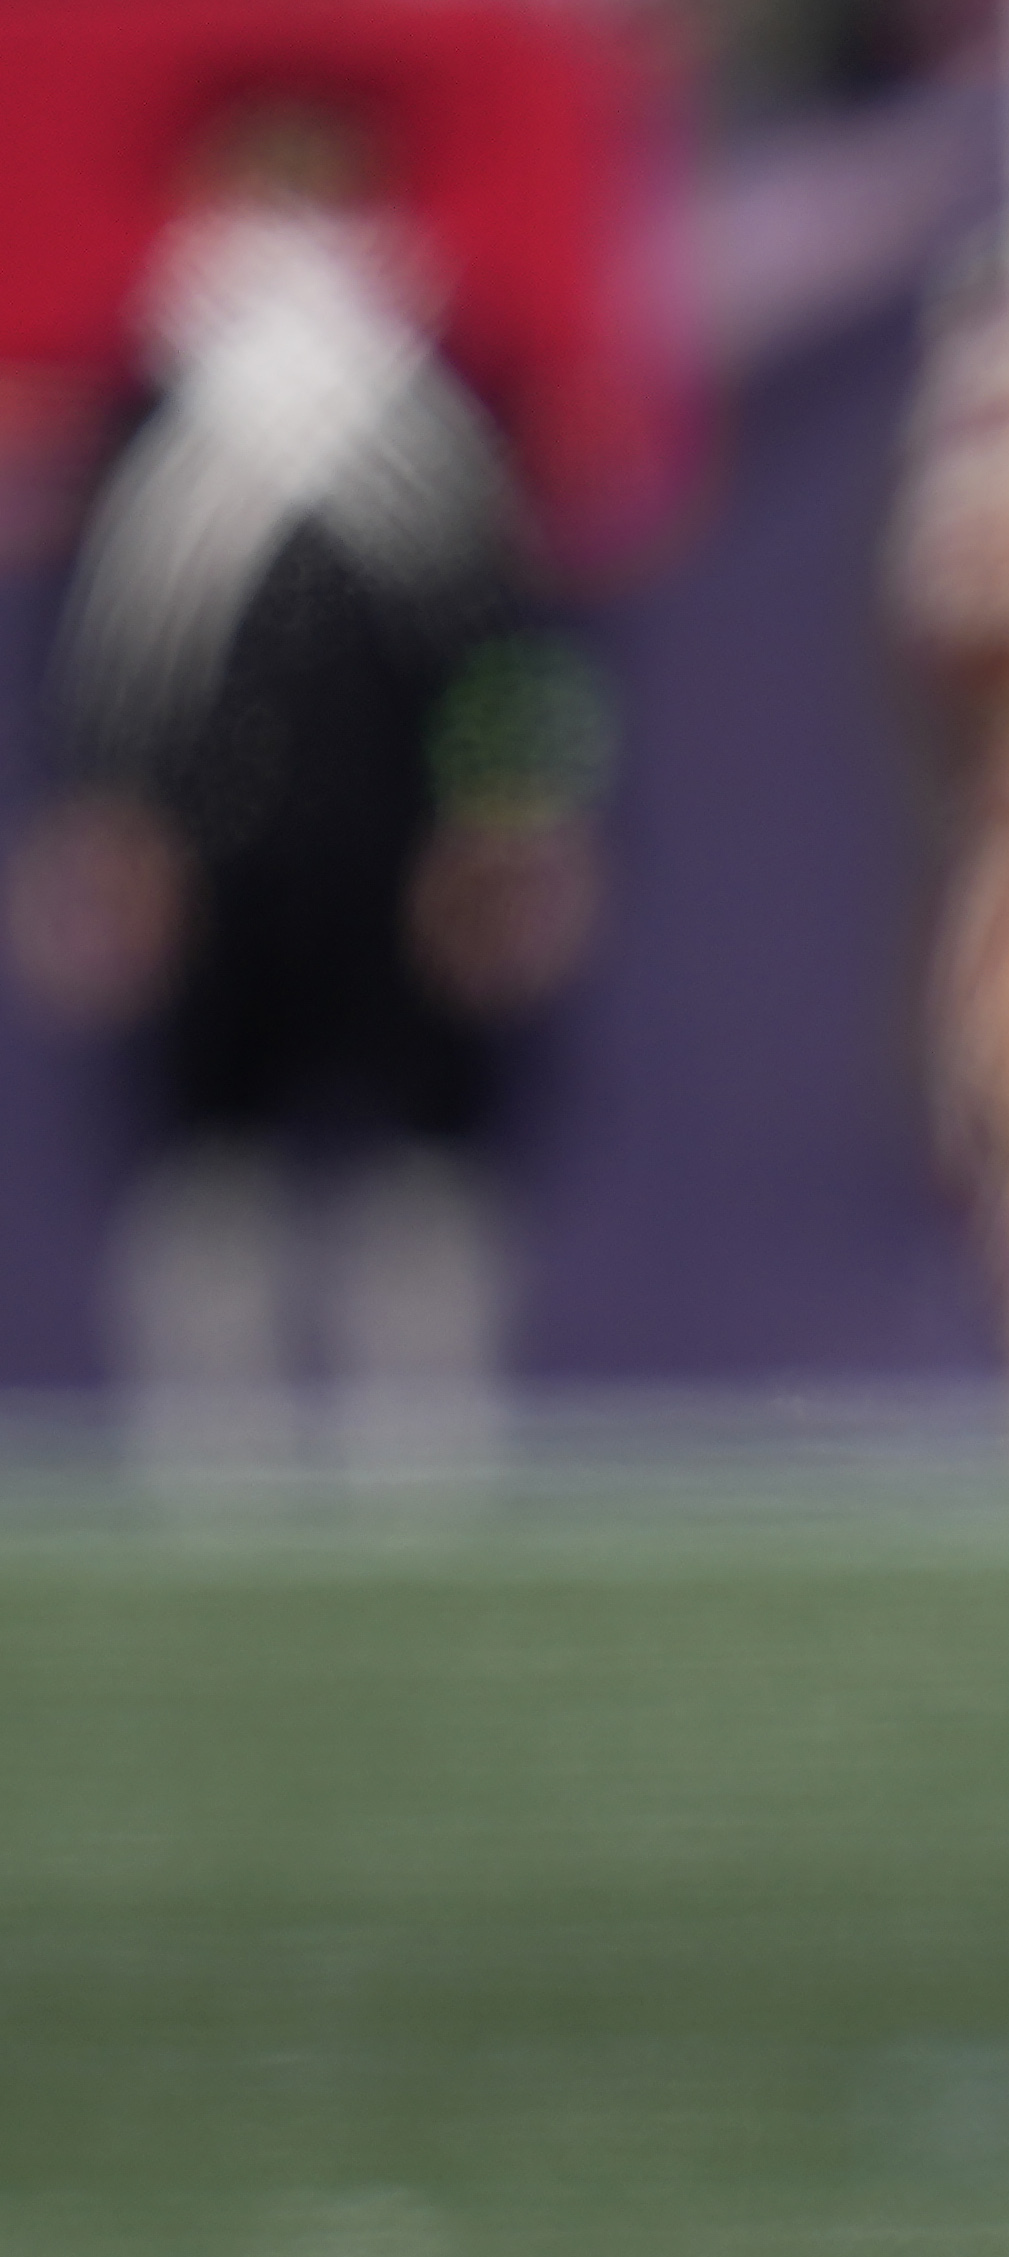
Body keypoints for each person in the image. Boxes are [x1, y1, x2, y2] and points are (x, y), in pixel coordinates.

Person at [9, 94, 606, 1463]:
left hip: (406, 840)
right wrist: (101, 822)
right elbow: (93, 635)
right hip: (214, 838)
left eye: (316, 193)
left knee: (430, 1148)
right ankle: (216, 1459)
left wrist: (513, 816)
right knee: (207, 1153)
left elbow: (512, 632)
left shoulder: (452, 393)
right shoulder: (148, 396)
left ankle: (429, 1453)